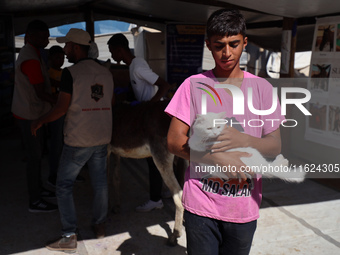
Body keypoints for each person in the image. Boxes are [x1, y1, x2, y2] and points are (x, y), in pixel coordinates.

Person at [165, 9, 285, 255]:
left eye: (234, 44)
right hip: (201, 205)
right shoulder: (193, 85)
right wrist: (216, 158)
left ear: (245, 42)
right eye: (219, 45)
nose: (227, 53)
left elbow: (274, 145)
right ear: (208, 44)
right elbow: (174, 141)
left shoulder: (262, 88)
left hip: (244, 207)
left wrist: (242, 138)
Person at [31, 28, 114, 252]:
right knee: (100, 183)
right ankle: (100, 226)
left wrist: (40, 121)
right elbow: (108, 102)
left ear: (76, 47)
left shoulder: (71, 73)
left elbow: (61, 108)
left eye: (67, 45)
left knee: (63, 185)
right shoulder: (106, 72)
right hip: (102, 135)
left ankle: (69, 235)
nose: (65, 50)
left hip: (79, 138)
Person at [107, 33, 171, 212]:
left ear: (120, 50)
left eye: (113, 52)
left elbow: (164, 85)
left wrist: (148, 106)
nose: (112, 56)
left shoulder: (138, 66)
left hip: (153, 116)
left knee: (154, 158)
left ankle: (155, 199)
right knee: (156, 158)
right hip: (146, 116)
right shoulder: (133, 66)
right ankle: (163, 190)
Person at [11, 19, 58, 213]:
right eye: (43, 37)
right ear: (30, 37)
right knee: (34, 157)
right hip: (29, 115)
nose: (47, 40)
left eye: (47, 36)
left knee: (37, 155)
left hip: (28, 111)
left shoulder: (33, 53)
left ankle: (38, 189)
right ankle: (35, 200)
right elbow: (40, 92)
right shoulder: (30, 58)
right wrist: (61, 103)